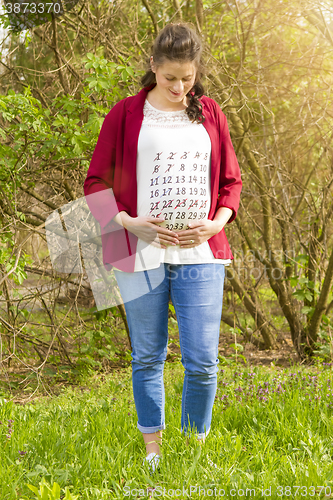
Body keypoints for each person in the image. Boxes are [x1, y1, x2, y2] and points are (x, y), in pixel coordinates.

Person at [84, 22, 242, 473]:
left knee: (203, 359)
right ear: (153, 66)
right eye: (169, 77)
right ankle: (153, 450)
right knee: (148, 355)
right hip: (137, 252)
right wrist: (129, 222)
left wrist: (215, 224)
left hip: (201, 255)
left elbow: (231, 183)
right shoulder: (124, 114)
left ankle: (195, 447)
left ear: (196, 72)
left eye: (187, 78)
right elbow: (95, 182)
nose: (178, 87)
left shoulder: (210, 113)